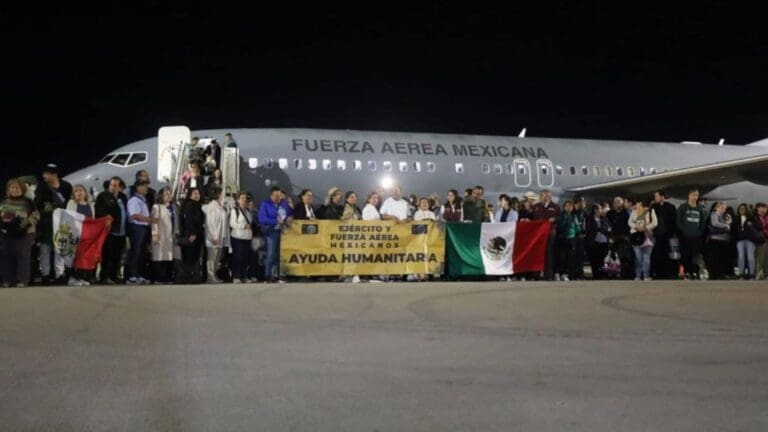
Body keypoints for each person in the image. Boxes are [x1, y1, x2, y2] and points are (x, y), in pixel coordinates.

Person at [36, 163, 73, 284]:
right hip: (46, 222)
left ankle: (59, 274)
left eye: (46, 173)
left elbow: (69, 204)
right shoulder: (41, 186)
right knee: (45, 249)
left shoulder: (66, 186)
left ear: (54, 174)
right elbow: (39, 204)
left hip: (62, 221)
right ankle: (45, 275)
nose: (43, 176)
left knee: (60, 247)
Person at [0, 179, 39, 287]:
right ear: (9, 189)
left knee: (23, 256)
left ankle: (22, 280)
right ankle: (7, 280)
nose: (14, 190)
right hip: (6, 233)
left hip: (25, 233)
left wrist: (23, 226)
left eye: (17, 188)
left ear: (22, 189)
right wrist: (4, 226)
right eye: (12, 187)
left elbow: (36, 216)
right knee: (6, 256)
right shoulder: (4, 201)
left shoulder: (28, 201)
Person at [95, 177, 127, 284]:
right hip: (109, 231)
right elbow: (99, 210)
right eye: (111, 185)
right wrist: (106, 215)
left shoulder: (123, 197)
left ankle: (114, 276)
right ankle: (104, 276)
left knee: (117, 256)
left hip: (121, 232)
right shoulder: (103, 196)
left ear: (120, 187)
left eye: (116, 185)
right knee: (107, 255)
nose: (113, 187)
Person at [258, 186, 293, 283]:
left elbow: (290, 212)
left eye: (280, 196)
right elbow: (262, 219)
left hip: (282, 232)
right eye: (277, 196)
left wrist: (290, 216)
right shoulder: (265, 204)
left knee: (279, 255)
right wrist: (275, 221)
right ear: (271, 196)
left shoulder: (284, 203)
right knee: (271, 254)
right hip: (271, 232)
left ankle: (278, 276)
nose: (279, 198)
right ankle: (268, 276)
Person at [65, 185, 96, 286]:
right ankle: (72, 278)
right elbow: (68, 218)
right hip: (75, 234)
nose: (78, 193)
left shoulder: (90, 204)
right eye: (76, 191)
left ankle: (82, 277)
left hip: (87, 235)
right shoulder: (71, 203)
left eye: (81, 190)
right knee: (74, 257)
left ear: (85, 192)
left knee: (85, 257)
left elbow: (93, 219)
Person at [126, 180, 155, 285]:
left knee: (142, 253)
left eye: (147, 186)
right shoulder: (134, 200)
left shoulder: (142, 200)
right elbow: (135, 215)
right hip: (136, 228)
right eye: (143, 186)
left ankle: (139, 274)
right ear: (137, 188)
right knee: (136, 252)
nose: (146, 188)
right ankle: (132, 275)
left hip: (143, 228)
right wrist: (150, 220)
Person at [676, 189, 708, 280]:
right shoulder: (683, 207)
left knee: (695, 255)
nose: (695, 197)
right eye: (693, 195)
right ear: (689, 195)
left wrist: (699, 232)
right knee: (685, 255)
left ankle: (695, 272)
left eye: (697, 195)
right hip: (685, 236)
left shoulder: (699, 209)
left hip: (696, 237)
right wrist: (684, 230)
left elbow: (703, 223)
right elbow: (679, 221)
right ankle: (687, 272)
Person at [150, 187, 179, 284]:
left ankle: (168, 277)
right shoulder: (156, 207)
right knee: (160, 257)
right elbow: (154, 222)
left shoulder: (174, 207)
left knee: (170, 257)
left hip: (171, 235)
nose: (168, 196)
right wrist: (155, 234)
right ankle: (159, 278)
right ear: (161, 196)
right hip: (161, 235)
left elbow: (176, 221)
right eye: (166, 194)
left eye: (170, 194)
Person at [203, 187, 230, 284]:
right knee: (211, 258)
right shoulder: (211, 207)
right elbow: (210, 223)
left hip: (220, 237)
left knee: (216, 258)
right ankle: (210, 276)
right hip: (213, 237)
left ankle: (214, 275)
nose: (222, 196)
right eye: (221, 194)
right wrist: (213, 236)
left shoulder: (220, 206)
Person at [179, 188, 205, 283]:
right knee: (190, 256)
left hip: (197, 234)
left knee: (194, 256)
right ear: (190, 195)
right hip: (191, 235)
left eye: (198, 193)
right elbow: (189, 221)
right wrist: (192, 233)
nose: (197, 195)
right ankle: (188, 277)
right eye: (194, 193)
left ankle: (192, 276)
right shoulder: (190, 205)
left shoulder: (197, 205)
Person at [533, 190, 560, 280]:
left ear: (549, 196)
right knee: (538, 254)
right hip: (538, 234)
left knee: (549, 254)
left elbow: (560, 217)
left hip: (549, 234)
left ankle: (549, 275)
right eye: (541, 196)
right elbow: (533, 218)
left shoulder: (555, 207)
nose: (543, 197)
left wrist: (555, 219)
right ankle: (537, 274)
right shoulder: (537, 206)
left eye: (545, 196)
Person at [650, 190, 678, 279]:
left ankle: (670, 273)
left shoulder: (671, 207)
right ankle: (658, 273)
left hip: (668, 235)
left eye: (657, 196)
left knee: (669, 255)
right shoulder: (653, 207)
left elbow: (674, 221)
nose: (655, 198)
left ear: (662, 197)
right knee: (658, 254)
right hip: (657, 235)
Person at [628, 200, 658, 281]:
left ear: (641, 203)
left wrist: (645, 228)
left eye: (637, 204)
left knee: (646, 256)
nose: (636, 205)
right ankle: (638, 275)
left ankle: (646, 275)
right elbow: (629, 222)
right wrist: (636, 227)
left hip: (647, 236)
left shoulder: (650, 211)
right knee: (638, 257)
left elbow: (655, 223)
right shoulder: (634, 212)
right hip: (636, 237)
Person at [606, 196, 633, 279]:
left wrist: (627, 236)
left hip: (624, 238)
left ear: (622, 204)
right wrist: (610, 236)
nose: (616, 204)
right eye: (615, 202)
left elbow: (630, 225)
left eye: (618, 202)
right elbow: (607, 225)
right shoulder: (610, 213)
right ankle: (613, 274)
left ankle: (625, 275)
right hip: (613, 238)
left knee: (624, 257)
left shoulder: (627, 212)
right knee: (612, 257)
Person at [230, 192, 253, 284]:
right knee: (238, 257)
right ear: (238, 200)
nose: (244, 200)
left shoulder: (248, 211)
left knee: (245, 258)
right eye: (242, 198)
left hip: (247, 238)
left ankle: (244, 276)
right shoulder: (234, 210)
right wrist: (243, 226)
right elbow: (232, 223)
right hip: (237, 237)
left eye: (245, 198)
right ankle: (236, 276)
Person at [554, 200, 580, 281]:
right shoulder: (560, 216)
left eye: (570, 206)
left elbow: (577, 229)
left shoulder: (574, 217)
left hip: (571, 239)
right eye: (567, 206)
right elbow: (558, 227)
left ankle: (565, 274)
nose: (569, 207)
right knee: (560, 257)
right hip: (562, 238)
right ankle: (557, 273)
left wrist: (577, 228)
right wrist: (567, 221)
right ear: (564, 207)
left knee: (568, 258)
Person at [707, 201, 732, 280]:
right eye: (721, 208)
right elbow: (715, 224)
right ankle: (713, 274)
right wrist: (725, 226)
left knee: (723, 258)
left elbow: (730, 224)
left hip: (724, 240)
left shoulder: (727, 215)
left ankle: (721, 274)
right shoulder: (713, 214)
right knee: (714, 258)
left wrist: (726, 226)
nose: (723, 209)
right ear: (716, 208)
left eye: (724, 208)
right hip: (715, 240)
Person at [585, 203, 611, 279]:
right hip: (594, 242)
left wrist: (605, 231)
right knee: (594, 260)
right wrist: (599, 229)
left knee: (602, 259)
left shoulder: (604, 218)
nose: (601, 210)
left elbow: (609, 228)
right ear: (595, 210)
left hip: (603, 242)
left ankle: (602, 274)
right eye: (599, 209)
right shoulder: (589, 219)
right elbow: (589, 230)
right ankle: (595, 275)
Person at [733, 203, 757, 279]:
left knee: (750, 257)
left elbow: (759, 226)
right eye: (740, 209)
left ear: (746, 210)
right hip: (740, 240)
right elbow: (733, 230)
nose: (741, 210)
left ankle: (751, 273)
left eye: (743, 209)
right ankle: (741, 273)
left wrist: (751, 224)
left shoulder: (752, 218)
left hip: (750, 240)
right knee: (741, 257)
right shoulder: (737, 218)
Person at [753, 203, 768, 280]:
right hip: (760, 240)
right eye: (761, 208)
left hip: (766, 239)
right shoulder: (754, 218)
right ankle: (758, 274)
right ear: (757, 208)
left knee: (766, 258)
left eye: (765, 208)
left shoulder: (767, 217)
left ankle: (766, 274)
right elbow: (756, 229)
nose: (763, 209)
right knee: (760, 258)